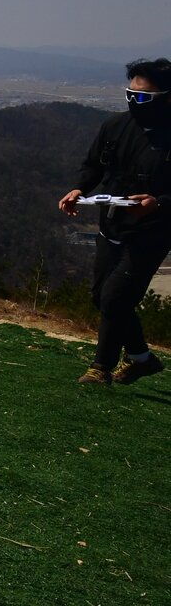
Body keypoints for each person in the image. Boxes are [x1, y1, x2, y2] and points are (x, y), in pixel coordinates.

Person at [59, 57, 171, 385]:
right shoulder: (115, 127)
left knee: (114, 297)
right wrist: (80, 188)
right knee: (101, 296)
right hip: (111, 225)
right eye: (130, 94)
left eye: (143, 97)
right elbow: (94, 165)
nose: (134, 102)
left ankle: (101, 367)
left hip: (152, 232)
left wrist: (158, 203)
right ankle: (141, 358)